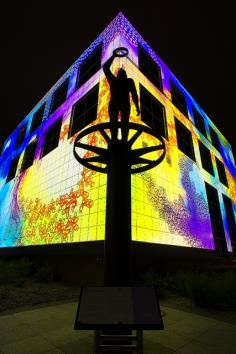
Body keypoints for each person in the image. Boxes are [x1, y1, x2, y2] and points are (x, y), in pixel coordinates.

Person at [103, 51, 140, 141]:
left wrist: (113, 56)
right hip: (120, 104)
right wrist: (137, 107)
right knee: (122, 124)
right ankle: (120, 140)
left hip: (117, 104)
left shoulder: (115, 80)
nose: (122, 75)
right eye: (122, 74)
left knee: (116, 124)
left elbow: (105, 68)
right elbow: (134, 95)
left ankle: (116, 140)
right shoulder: (128, 81)